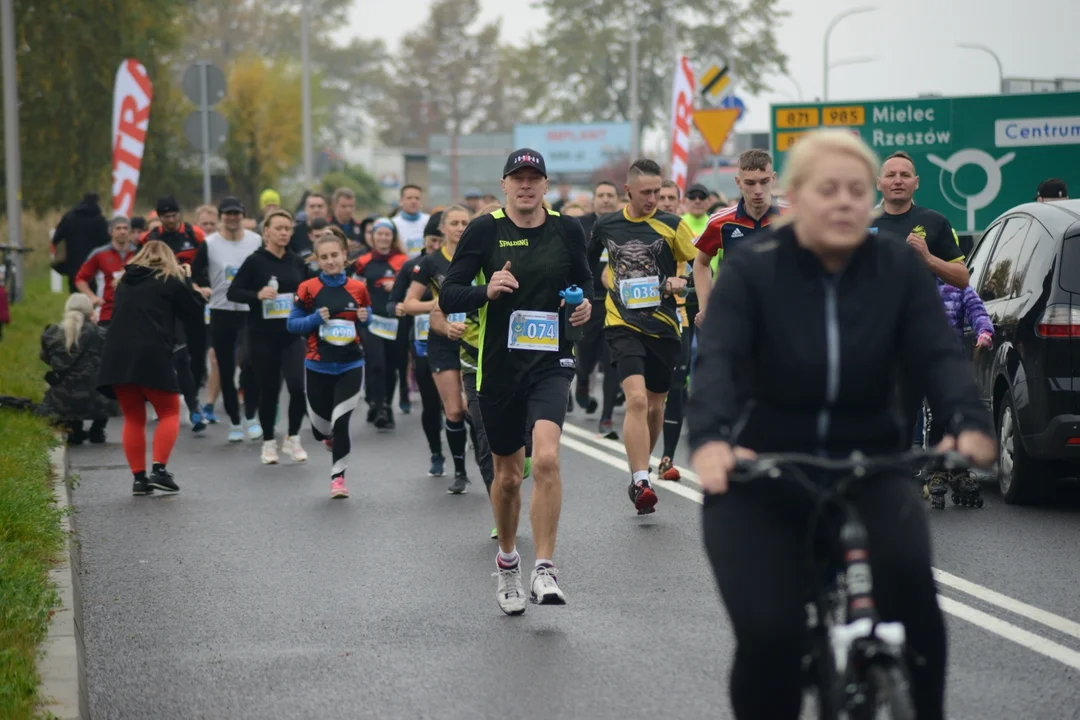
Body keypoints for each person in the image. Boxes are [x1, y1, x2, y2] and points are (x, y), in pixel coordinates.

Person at [687, 129, 997, 720]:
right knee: (771, 637)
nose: (845, 202)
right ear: (796, 200)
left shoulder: (896, 269)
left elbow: (937, 354)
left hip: (870, 466)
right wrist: (708, 445)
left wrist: (968, 422)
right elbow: (719, 362)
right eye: (828, 189)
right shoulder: (754, 268)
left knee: (918, 611)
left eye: (857, 190)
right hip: (762, 474)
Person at [440, 148, 593, 614]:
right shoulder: (485, 229)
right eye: (517, 178)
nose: (526, 185)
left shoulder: (567, 229)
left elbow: (586, 289)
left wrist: (585, 310)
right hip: (499, 367)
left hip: (551, 361)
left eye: (534, 178)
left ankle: (544, 568)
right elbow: (449, 293)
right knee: (507, 477)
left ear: (546, 186)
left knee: (546, 458)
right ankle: (508, 564)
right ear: (505, 185)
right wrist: (486, 291)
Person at [588, 159, 696, 514]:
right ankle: (640, 479)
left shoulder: (673, 225)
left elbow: (700, 264)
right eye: (646, 192)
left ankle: (642, 462)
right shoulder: (606, 225)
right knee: (635, 400)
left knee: (654, 405)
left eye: (658, 192)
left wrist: (684, 282)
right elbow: (588, 263)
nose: (654, 199)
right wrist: (589, 293)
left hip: (665, 325)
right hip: (622, 323)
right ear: (629, 191)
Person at [98, 240, 207, 495]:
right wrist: (187, 280)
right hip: (152, 352)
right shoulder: (169, 279)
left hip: (117, 355)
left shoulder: (124, 280)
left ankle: (139, 478)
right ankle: (159, 470)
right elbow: (193, 312)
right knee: (170, 410)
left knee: (134, 417)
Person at [287, 232, 372, 499]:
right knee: (320, 429)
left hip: (350, 364)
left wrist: (365, 317)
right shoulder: (308, 289)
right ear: (317, 260)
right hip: (318, 366)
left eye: (335, 255)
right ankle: (327, 437)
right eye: (324, 257)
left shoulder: (358, 288)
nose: (330, 261)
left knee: (341, 421)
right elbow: (292, 325)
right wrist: (314, 319)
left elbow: (367, 318)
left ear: (345, 256)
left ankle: (338, 479)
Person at [228, 210, 310, 465]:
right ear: (267, 233)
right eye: (279, 228)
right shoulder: (255, 261)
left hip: (291, 335)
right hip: (262, 336)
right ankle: (268, 444)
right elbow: (233, 292)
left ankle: (293, 439)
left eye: (288, 228)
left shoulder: (296, 262)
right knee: (269, 391)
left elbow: (310, 289)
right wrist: (257, 294)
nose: (284, 232)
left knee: (297, 387)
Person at [402, 206, 474, 493]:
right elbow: (409, 304)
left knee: (475, 409)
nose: (459, 228)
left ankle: (486, 461)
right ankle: (459, 472)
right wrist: (439, 305)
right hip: (442, 341)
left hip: (474, 339)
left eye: (464, 223)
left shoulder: (476, 258)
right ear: (442, 229)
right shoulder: (430, 262)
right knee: (454, 410)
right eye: (454, 223)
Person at [193, 197, 263, 442]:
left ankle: (251, 416)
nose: (233, 217)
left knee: (250, 365)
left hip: (249, 311)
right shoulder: (210, 244)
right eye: (228, 213)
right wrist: (201, 288)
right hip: (221, 312)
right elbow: (195, 274)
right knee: (224, 368)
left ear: (243, 214)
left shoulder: (256, 241)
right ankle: (234, 421)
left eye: (237, 213)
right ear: (221, 216)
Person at [692, 150, 786, 323]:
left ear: (773, 179)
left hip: (784, 316)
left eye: (764, 181)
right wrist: (705, 306)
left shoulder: (793, 216)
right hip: (737, 316)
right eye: (750, 183)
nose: (758, 190)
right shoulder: (720, 222)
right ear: (739, 182)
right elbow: (701, 263)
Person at [387, 217, 446, 476]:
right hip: (422, 343)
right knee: (431, 403)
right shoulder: (413, 267)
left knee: (459, 404)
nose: (436, 246)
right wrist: (398, 308)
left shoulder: (457, 265)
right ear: (424, 240)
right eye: (432, 241)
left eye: (440, 241)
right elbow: (393, 301)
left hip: (455, 340)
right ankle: (436, 452)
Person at [574, 180, 622, 438]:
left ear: (617, 199)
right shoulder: (580, 224)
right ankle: (582, 383)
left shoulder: (623, 223)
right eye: (601, 195)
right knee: (587, 355)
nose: (605, 199)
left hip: (616, 300)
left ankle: (606, 417)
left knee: (611, 359)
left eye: (610, 195)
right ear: (594, 199)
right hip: (588, 298)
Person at [352, 218, 408, 430]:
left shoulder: (403, 261)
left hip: (396, 320)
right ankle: (377, 404)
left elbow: (413, 288)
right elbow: (353, 287)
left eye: (387, 234)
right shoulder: (363, 261)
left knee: (392, 366)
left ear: (393, 237)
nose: (383, 238)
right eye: (379, 234)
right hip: (372, 319)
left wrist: (396, 285)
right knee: (376, 364)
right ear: (372, 237)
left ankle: (385, 405)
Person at [40, 294, 114, 445]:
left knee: (68, 385)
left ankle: (75, 430)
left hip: (64, 398)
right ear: (91, 312)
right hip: (99, 397)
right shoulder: (102, 334)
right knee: (103, 380)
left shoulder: (52, 333)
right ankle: (97, 429)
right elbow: (112, 361)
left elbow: (46, 358)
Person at [74, 216, 137, 327]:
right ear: (111, 232)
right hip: (107, 314)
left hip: (135, 313)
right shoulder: (99, 254)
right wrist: (92, 297)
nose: (122, 231)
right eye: (118, 228)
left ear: (130, 231)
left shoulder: (139, 253)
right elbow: (80, 279)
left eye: (125, 228)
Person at [51, 192, 110, 294]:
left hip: (72, 262)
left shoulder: (69, 217)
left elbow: (56, 238)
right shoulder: (100, 220)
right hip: (94, 263)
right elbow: (107, 241)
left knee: (75, 291)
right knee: (91, 293)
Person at [393, 184, 431, 257]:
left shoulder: (429, 220)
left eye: (417, 198)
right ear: (401, 201)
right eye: (409, 198)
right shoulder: (393, 224)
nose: (414, 201)